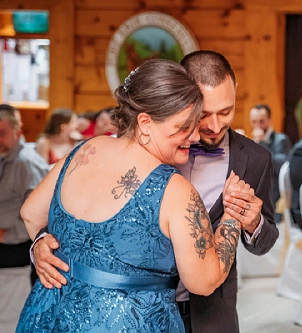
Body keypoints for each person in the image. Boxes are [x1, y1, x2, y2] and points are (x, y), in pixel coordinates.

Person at [31, 51, 279, 333]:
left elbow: (266, 239)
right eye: (203, 114)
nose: (213, 126)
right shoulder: (129, 149)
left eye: (225, 112)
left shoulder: (256, 159)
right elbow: (64, 213)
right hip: (135, 314)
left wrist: (253, 223)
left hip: (210, 315)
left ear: (235, 91)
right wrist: (42, 241)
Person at [0, 104, 49, 329]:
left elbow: (43, 215)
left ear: (18, 132)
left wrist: (6, 234)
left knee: (9, 321)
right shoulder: (5, 158)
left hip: (16, 258)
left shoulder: (28, 163)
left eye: (2, 133)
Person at [250, 104, 291, 222]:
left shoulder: (281, 140)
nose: (257, 126)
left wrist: (261, 144)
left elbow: (280, 166)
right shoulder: (249, 141)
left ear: (269, 120)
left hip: (272, 198)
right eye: (254, 122)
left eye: (261, 121)